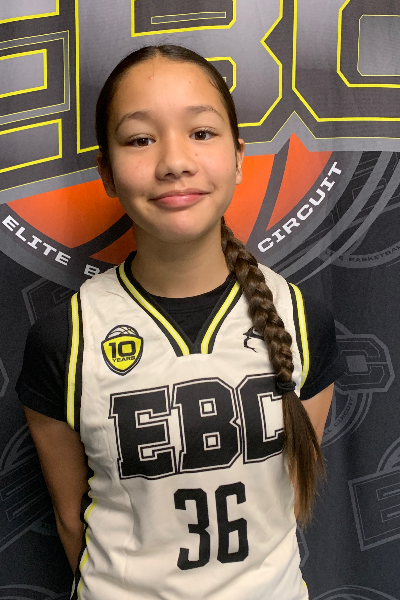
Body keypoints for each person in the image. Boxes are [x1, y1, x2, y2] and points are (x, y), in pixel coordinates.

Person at [17, 45, 344, 599]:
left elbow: (285, 499)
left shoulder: (301, 318)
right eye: (140, 139)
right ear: (106, 173)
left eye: (201, 132)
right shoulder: (66, 337)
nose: (174, 161)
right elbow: (72, 520)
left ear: (238, 157)